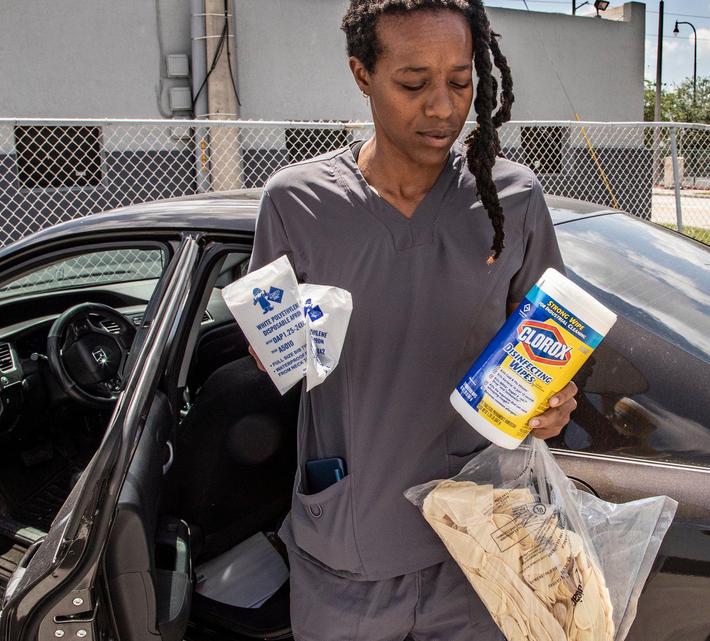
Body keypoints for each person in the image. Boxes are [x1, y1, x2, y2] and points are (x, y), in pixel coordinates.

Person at [247, 1, 578, 638]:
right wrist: (274, 350)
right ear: (361, 74)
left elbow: (550, 347)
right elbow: (274, 347)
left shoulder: (511, 200)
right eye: (413, 82)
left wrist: (557, 401)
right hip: (350, 544)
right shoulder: (298, 203)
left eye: (460, 82)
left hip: (482, 545)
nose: (443, 107)